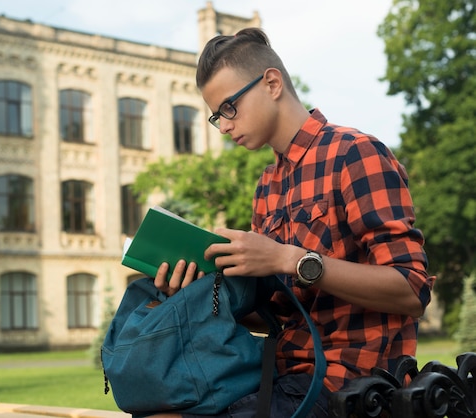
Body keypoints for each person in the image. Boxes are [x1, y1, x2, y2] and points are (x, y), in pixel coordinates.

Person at [152, 27, 435, 418]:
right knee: (155, 407)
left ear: (271, 83)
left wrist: (289, 259)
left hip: (352, 386)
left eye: (229, 108)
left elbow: (411, 291)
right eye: (217, 117)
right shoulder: (267, 186)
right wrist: (194, 290)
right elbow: (279, 312)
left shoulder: (356, 155)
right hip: (279, 374)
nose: (225, 125)